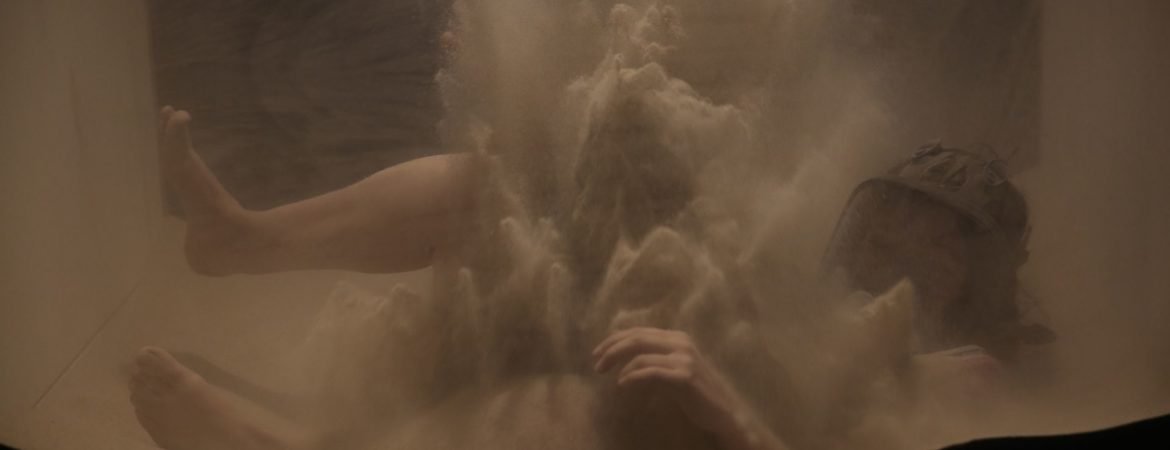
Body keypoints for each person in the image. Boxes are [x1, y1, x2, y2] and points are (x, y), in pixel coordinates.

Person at [131, 108, 1047, 450]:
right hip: (714, 378)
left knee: (600, 406)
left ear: (984, 271)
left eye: (936, 245)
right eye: (888, 224)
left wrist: (732, 418)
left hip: (716, 431)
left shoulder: (980, 375)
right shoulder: (826, 292)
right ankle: (250, 238)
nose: (892, 253)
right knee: (493, 194)